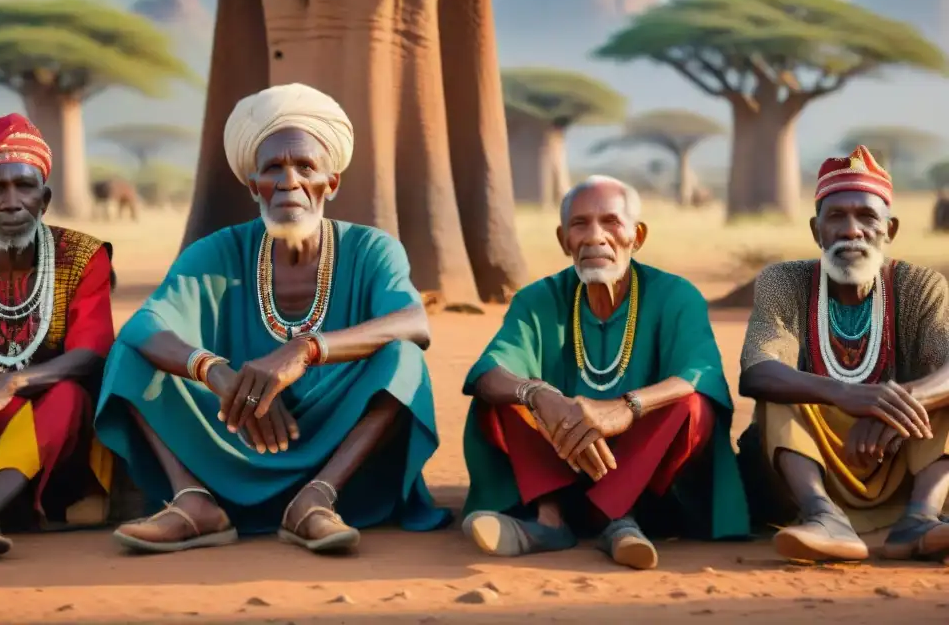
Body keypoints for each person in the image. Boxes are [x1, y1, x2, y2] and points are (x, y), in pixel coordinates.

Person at [95, 83, 450, 555]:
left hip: (337, 436)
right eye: (273, 169)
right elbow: (144, 324)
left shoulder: (371, 248)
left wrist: (303, 351)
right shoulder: (218, 251)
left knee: (403, 360)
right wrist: (218, 374)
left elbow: (412, 321)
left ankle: (316, 501)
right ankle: (195, 501)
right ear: (253, 185)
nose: (289, 182)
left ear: (331, 182)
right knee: (129, 356)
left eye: (305, 167)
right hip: (236, 429)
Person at [461, 176, 749, 568]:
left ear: (637, 235)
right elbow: (489, 370)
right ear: (564, 240)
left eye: (611, 222)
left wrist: (627, 408)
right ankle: (549, 521)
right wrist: (541, 396)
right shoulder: (537, 300)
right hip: (560, 467)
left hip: (647, 476)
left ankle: (622, 518)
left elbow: (700, 371)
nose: (595, 236)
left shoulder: (676, 295)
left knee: (694, 406)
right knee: (499, 398)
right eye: (580, 224)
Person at [739, 145, 949, 563]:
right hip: (809, 468)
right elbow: (756, 370)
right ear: (817, 231)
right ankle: (822, 516)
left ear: (889, 230)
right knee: (782, 392)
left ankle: (920, 519)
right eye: (837, 217)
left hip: (896, 459)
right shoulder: (785, 282)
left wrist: (890, 407)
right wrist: (843, 394)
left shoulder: (920, 285)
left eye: (867, 217)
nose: (852, 230)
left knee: (942, 397)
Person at [0, 113, 115, 559]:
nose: (12, 202)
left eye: (24, 187)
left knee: (67, 396)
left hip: (54, 432)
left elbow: (92, 353)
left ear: (44, 199)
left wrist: (7, 384)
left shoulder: (84, 257)